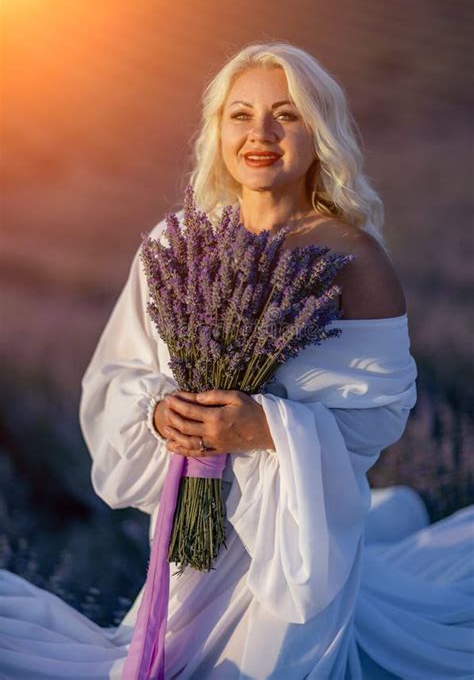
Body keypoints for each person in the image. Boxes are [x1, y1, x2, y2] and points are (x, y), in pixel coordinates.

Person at [0, 42, 472, 679]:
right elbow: (118, 375)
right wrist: (160, 413)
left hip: (299, 541)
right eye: (240, 115)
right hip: (192, 536)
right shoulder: (178, 244)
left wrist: (265, 428)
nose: (261, 134)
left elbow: (381, 412)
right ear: (217, 129)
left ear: (319, 132)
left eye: (287, 115)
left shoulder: (353, 259)